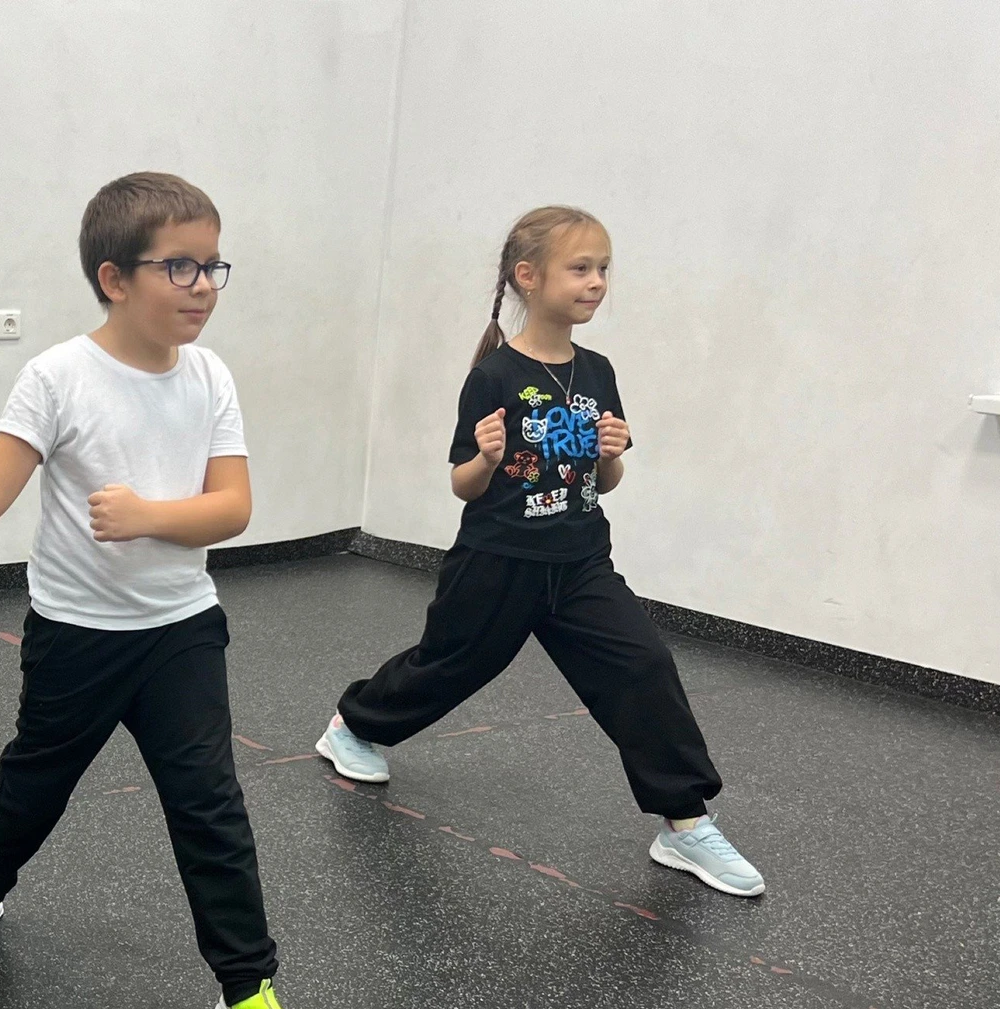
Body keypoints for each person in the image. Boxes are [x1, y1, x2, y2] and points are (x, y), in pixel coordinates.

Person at [0, 172, 309, 1009]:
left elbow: (233, 508)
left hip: (182, 630)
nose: (203, 287)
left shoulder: (210, 377)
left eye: (213, 266)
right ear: (115, 278)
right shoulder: (57, 377)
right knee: (37, 779)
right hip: (75, 632)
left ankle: (248, 987)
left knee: (210, 804)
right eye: (179, 267)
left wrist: (148, 515)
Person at [316, 205, 765, 898]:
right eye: (580, 268)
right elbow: (464, 484)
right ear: (529, 276)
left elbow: (602, 481)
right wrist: (487, 458)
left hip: (581, 562)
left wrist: (611, 456)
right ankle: (354, 725)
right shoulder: (494, 375)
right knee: (452, 664)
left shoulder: (599, 371)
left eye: (603, 268)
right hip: (498, 560)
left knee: (642, 665)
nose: (597, 282)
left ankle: (685, 822)